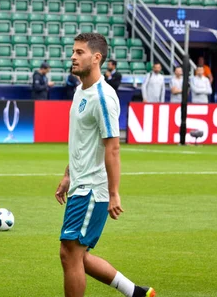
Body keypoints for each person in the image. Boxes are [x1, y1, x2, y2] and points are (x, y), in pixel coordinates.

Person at [55, 32, 155, 297]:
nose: (73, 57)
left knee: (70, 253)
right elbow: (82, 141)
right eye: (73, 51)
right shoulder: (80, 90)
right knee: (76, 255)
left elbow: (113, 146)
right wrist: (68, 174)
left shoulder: (103, 96)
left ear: (96, 58)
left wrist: (113, 193)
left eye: (79, 52)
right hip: (79, 183)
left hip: (92, 189)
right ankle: (135, 292)